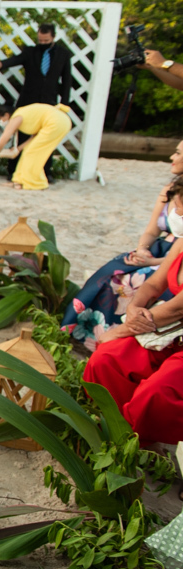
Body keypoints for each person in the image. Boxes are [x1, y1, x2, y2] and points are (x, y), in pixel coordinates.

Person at [83, 178, 183, 444]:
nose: (177, 213)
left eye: (180, 207)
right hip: (169, 331)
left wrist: (123, 328)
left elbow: (177, 307)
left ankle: (145, 440)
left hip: (173, 327)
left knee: (156, 392)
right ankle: (121, 432)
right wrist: (137, 307)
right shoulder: (182, 243)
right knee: (105, 360)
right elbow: (154, 283)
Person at [64, 140, 183, 351]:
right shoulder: (170, 190)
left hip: (173, 257)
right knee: (111, 274)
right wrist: (142, 249)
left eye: (177, 153)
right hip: (159, 248)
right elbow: (151, 230)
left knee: (137, 280)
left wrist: (153, 261)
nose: (172, 158)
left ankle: (121, 340)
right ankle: (88, 337)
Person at [0, 23, 72, 183]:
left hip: (49, 101)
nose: (42, 43)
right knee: (20, 136)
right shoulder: (31, 52)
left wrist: (64, 104)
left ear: (53, 37)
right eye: (40, 40)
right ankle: (13, 170)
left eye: (46, 40)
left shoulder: (63, 54)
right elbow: (16, 60)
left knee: (45, 138)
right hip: (28, 100)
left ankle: (44, 171)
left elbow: (67, 80)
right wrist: (2, 64)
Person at [0, 101, 72, 190]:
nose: (0, 122)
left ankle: (33, 183)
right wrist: (18, 149)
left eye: (0, 119)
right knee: (29, 150)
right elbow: (34, 136)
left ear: (7, 115)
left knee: (32, 153)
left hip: (57, 122)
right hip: (61, 121)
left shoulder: (16, 118)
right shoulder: (22, 115)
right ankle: (19, 181)